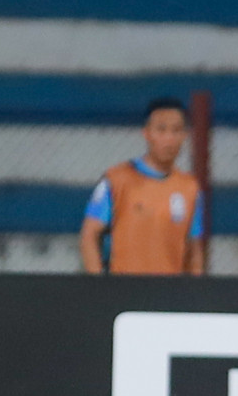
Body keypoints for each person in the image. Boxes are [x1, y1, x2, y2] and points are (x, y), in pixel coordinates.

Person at [79, 96, 205, 275]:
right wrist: (101, 286)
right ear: (146, 133)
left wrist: (194, 295)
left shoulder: (189, 188)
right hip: (125, 293)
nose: (169, 138)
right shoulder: (117, 180)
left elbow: (194, 248)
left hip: (169, 296)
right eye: (161, 130)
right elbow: (89, 235)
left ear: (184, 135)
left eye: (176, 130)